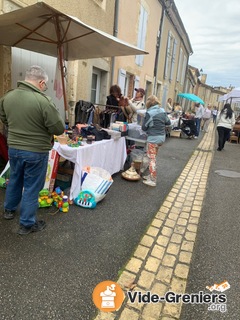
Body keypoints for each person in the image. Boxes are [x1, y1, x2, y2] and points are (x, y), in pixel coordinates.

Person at [0, 65, 65, 235]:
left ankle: (9, 210)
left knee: (15, 178)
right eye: (45, 85)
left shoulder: (7, 97)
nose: (45, 88)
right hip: (36, 150)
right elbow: (58, 128)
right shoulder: (43, 101)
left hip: (13, 148)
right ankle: (27, 224)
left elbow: (4, 118)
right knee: (31, 186)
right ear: (41, 82)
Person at [141, 95, 171, 187]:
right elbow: (168, 123)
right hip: (161, 138)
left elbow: (144, 127)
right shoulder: (162, 111)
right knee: (153, 157)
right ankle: (150, 176)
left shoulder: (149, 113)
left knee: (151, 158)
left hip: (153, 138)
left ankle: (153, 180)